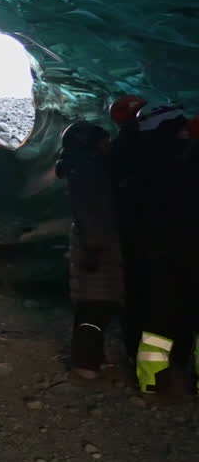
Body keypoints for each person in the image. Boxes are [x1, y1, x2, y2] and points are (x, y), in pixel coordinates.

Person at [127, 103, 194, 395]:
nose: (184, 129)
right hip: (186, 248)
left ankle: (152, 379)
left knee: (157, 315)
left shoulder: (139, 158)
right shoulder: (183, 159)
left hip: (154, 250)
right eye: (179, 124)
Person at [55, 121, 122, 378]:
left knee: (99, 299)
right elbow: (91, 211)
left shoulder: (84, 168)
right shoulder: (88, 171)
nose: (108, 146)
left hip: (97, 240)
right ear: (89, 144)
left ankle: (93, 355)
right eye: (103, 141)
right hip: (95, 242)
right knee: (93, 301)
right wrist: (94, 247)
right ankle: (85, 361)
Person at [108, 94, 149, 362]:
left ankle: (136, 348)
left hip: (132, 228)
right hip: (143, 229)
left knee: (134, 290)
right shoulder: (139, 145)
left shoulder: (119, 146)